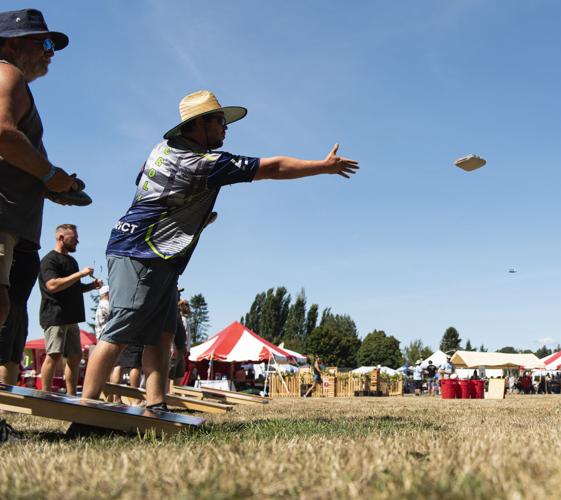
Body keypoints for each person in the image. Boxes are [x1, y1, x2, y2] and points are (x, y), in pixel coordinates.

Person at [82, 90, 358, 409]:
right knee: (119, 330)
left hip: (155, 251)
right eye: (220, 121)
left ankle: (155, 405)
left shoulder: (162, 150)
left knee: (161, 335)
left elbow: (156, 192)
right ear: (200, 124)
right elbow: (274, 167)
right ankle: (85, 408)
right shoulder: (203, 163)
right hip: (140, 251)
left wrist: (191, 217)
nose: (226, 128)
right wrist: (322, 167)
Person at [0, 9, 79, 386]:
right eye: (44, 43)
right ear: (12, 44)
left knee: (10, 313)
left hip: (16, 223)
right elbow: (2, 134)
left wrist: (50, 186)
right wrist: (50, 175)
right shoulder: (6, 72)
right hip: (4, 222)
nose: (52, 52)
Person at [38, 224, 101, 394]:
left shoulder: (71, 261)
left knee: (75, 357)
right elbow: (52, 285)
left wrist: (90, 286)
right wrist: (80, 274)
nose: (78, 242)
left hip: (71, 317)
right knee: (54, 355)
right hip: (55, 315)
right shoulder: (49, 260)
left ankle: (71, 395)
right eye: (74, 238)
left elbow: (73, 286)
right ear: (60, 238)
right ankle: (45, 395)